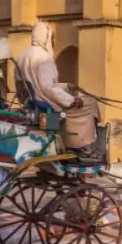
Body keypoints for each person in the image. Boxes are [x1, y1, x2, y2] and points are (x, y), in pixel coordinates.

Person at [17, 22, 102, 160]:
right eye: (51, 38)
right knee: (91, 103)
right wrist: (72, 100)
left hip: (35, 101)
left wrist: (67, 86)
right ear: (45, 38)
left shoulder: (23, 56)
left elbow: (40, 84)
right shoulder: (44, 58)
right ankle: (82, 147)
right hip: (46, 103)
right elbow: (47, 87)